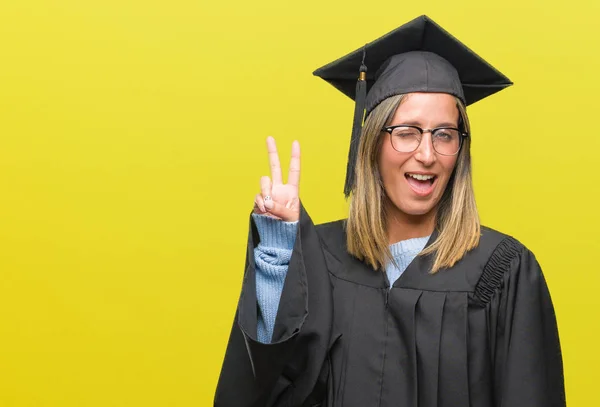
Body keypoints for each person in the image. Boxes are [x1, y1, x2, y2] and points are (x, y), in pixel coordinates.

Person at [214, 15, 566, 407]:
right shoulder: (322, 259)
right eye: (407, 132)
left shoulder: (502, 273)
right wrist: (282, 257)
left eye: (445, 134)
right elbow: (264, 392)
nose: (427, 154)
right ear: (371, 145)